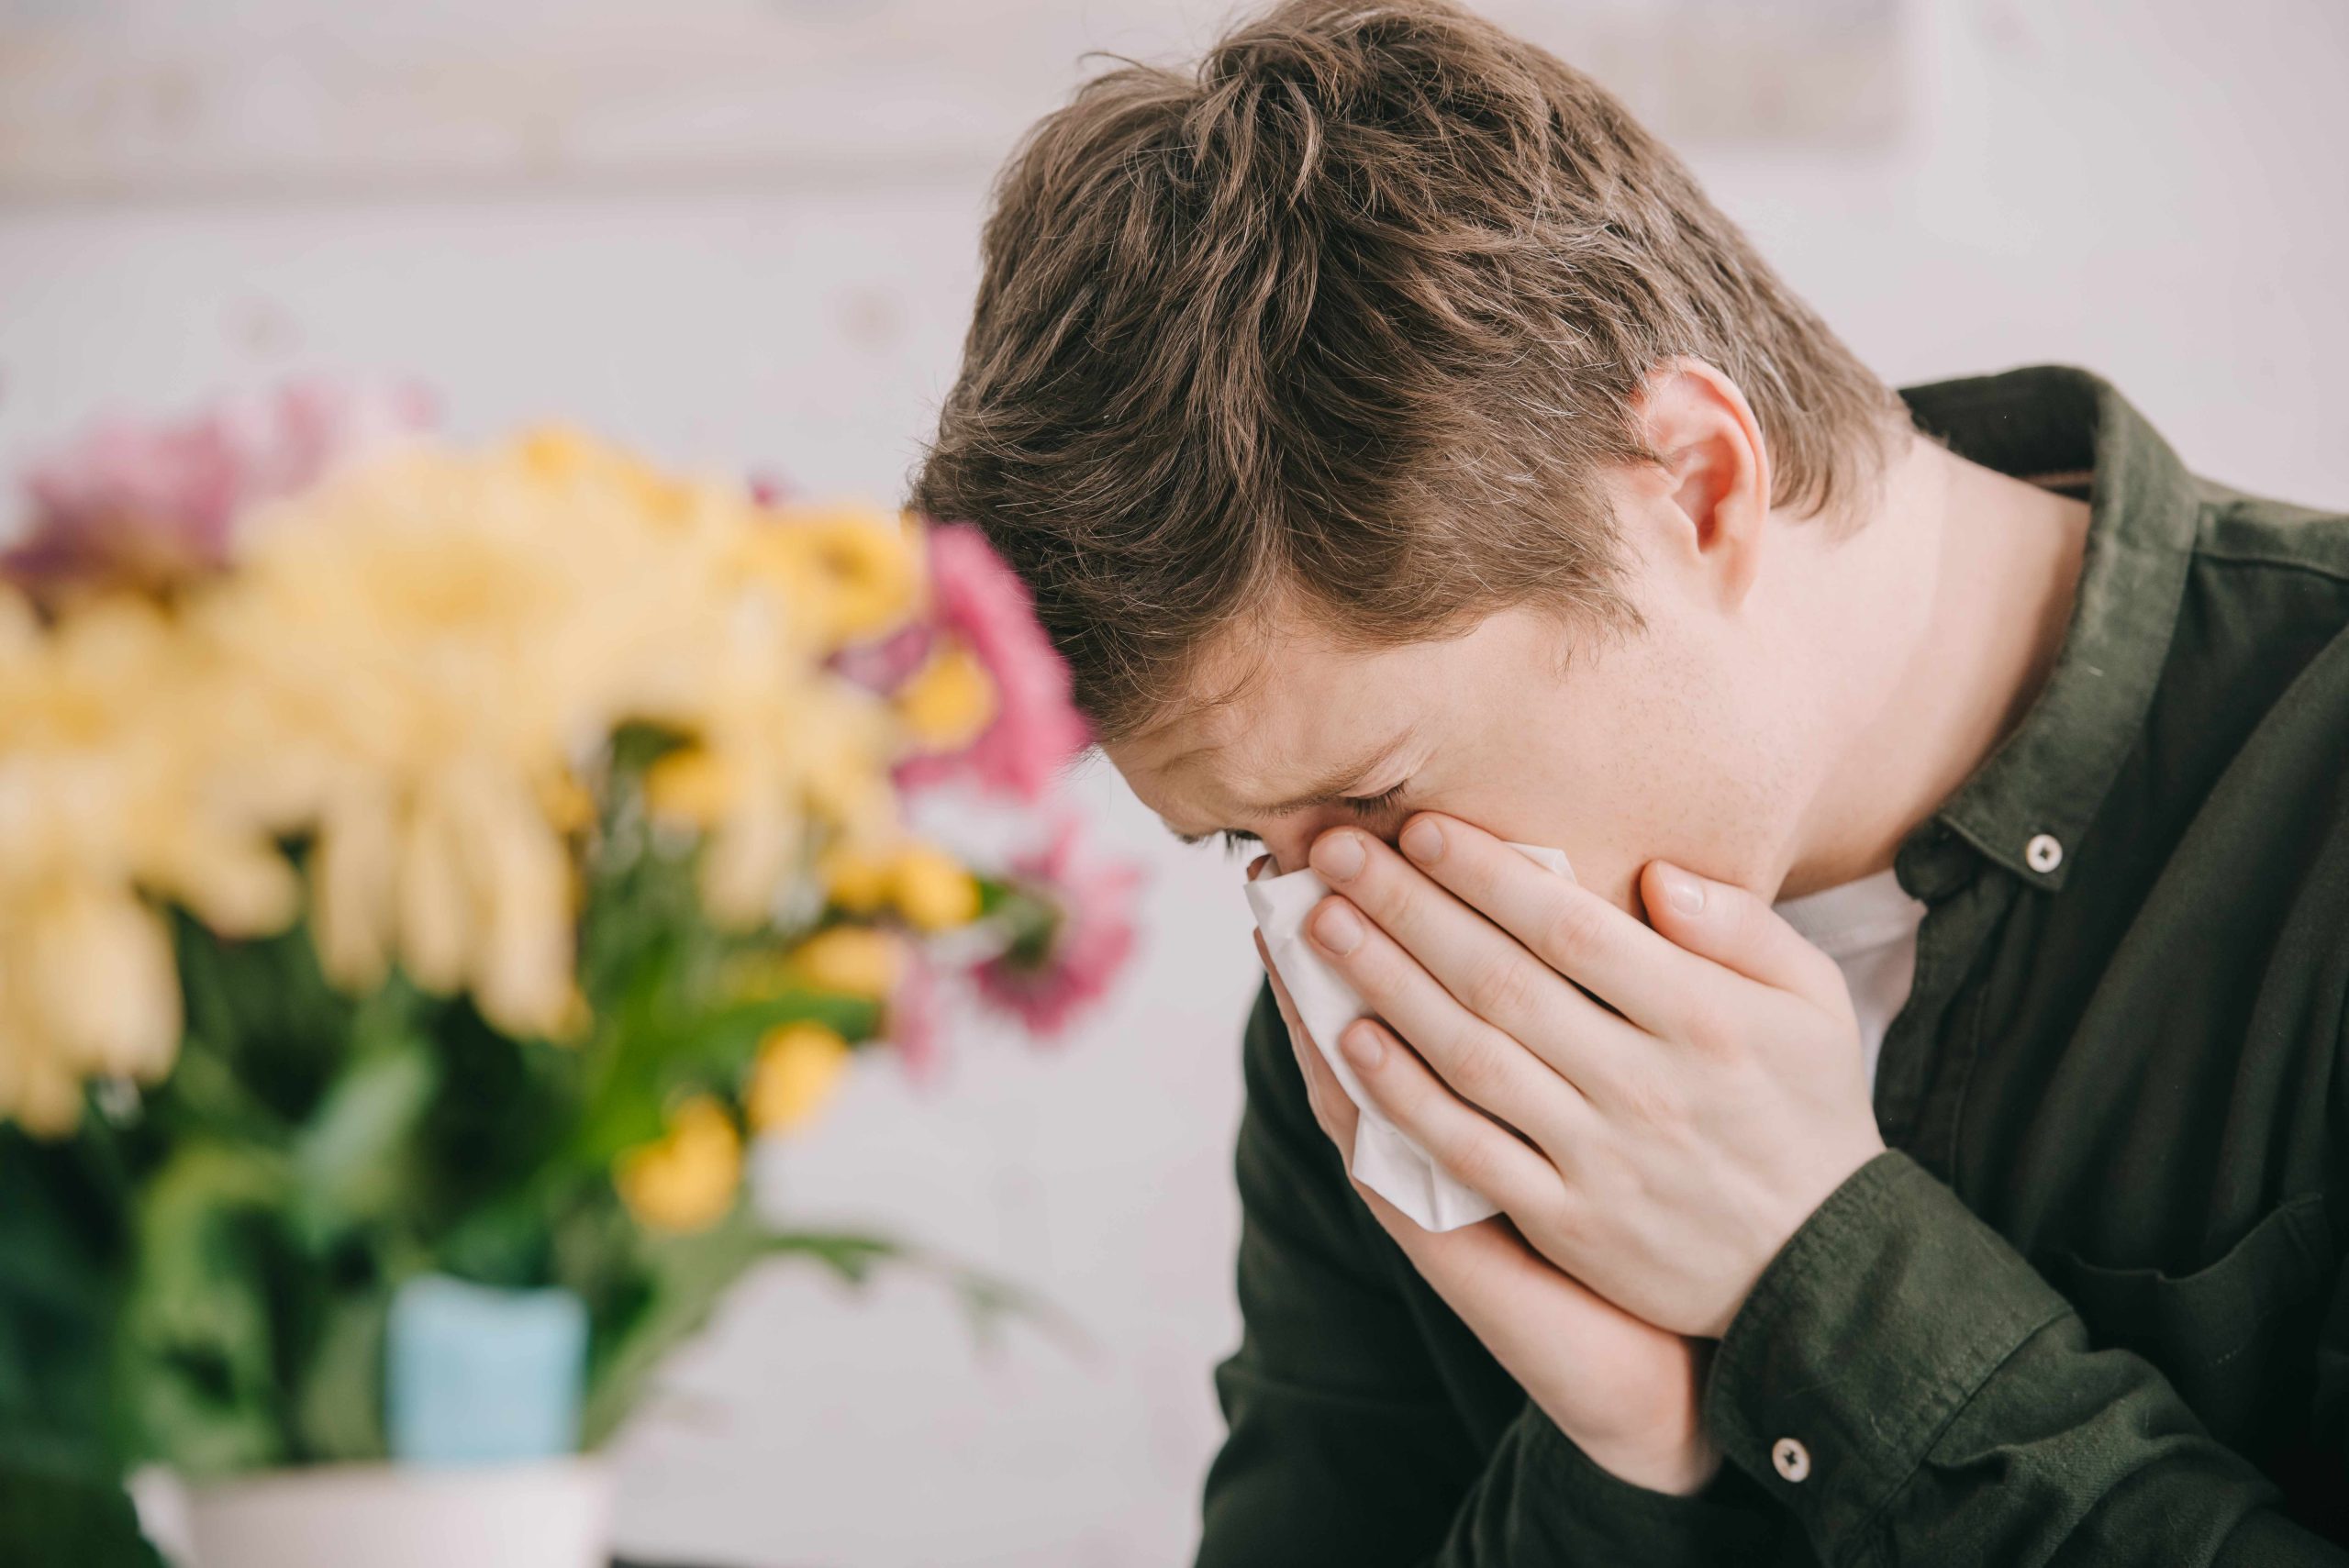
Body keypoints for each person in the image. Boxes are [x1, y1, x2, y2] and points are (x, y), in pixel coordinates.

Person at [910, 0, 2349, 1561]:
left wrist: (1825, 1277)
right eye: (1244, 847)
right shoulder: (1375, 1011)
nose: (1336, 921)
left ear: (1698, 488)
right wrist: (1612, 1457)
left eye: (1384, 793)